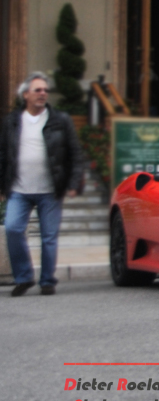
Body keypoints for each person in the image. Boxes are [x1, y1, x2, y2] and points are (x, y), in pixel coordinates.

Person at [1, 72, 84, 296]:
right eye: (37, 90)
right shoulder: (11, 121)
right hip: (19, 189)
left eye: (45, 90)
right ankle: (23, 277)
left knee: (49, 237)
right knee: (12, 228)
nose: (43, 94)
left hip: (49, 190)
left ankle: (47, 280)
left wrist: (74, 182)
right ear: (25, 94)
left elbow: (75, 154)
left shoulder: (60, 120)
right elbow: (3, 155)